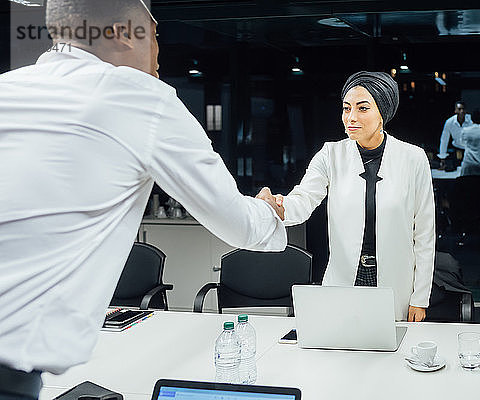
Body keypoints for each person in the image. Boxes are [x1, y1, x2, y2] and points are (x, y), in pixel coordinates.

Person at [0, 1, 285, 398]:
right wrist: (268, 213)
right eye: (153, 36)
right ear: (120, 33)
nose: (158, 56)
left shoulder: (7, 89)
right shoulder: (139, 98)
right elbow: (239, 224)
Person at [259, 71, 435, 322]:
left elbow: (425, 234)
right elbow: (303, 199)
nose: (351, 117)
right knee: (342, 350)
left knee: (390, 353)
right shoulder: (331, 154)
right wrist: (277, 207)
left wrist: (420, 298)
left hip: (396, 283)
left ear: (382, 113)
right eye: (346, 108)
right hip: (344, 278)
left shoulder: (413, 158)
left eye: (363, 108)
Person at [437, 100, 473, 169]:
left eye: (463, 109)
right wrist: (442, 157)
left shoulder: (471, 120)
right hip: (457, 148)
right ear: (455, 111)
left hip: (470, 149)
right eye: (459, 109)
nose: (462, 111)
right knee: (455, 169)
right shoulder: (449, 122)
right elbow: (444, 139)